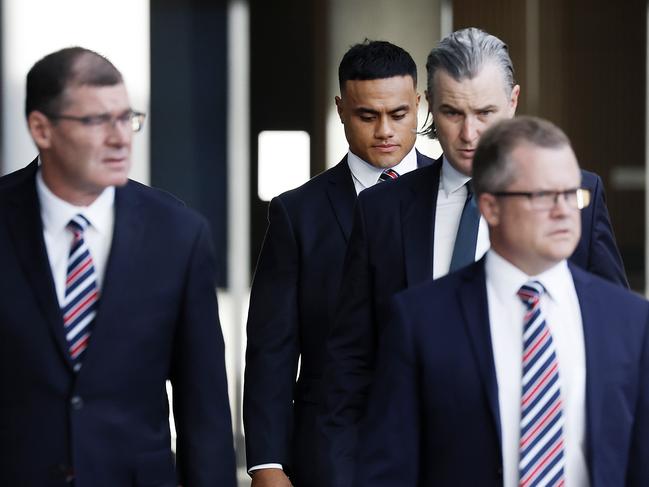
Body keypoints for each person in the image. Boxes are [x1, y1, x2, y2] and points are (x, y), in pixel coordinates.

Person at [321, 27, 628, 486]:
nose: (469, 134)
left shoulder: (574, 196)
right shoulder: (382, 211)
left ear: (513, 102)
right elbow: (349, 367)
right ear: (429, 106)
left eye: (485, 112)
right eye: (452, 112)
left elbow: (615, 346)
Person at [355, 116, 649, 486]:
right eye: (543, 195)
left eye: (571, 194)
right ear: (490, 207)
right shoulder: (421, 321)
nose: (564, 211)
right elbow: (388, 470)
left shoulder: (629, 320)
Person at [0, 47, 236, 486]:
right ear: (41, 129)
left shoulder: (179, 235)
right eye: (96, 121)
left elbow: (203, 409)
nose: (120, 137)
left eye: (126, 118)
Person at [243, 40, 432, 487]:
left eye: (399, 114)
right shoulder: (297, 213)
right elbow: (272, 347)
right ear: (342, 109)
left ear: (419, 104)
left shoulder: (458, 199)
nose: (384, 130)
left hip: (439, 440)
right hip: (332, 451)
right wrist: (267, 463)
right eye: (367, 115)